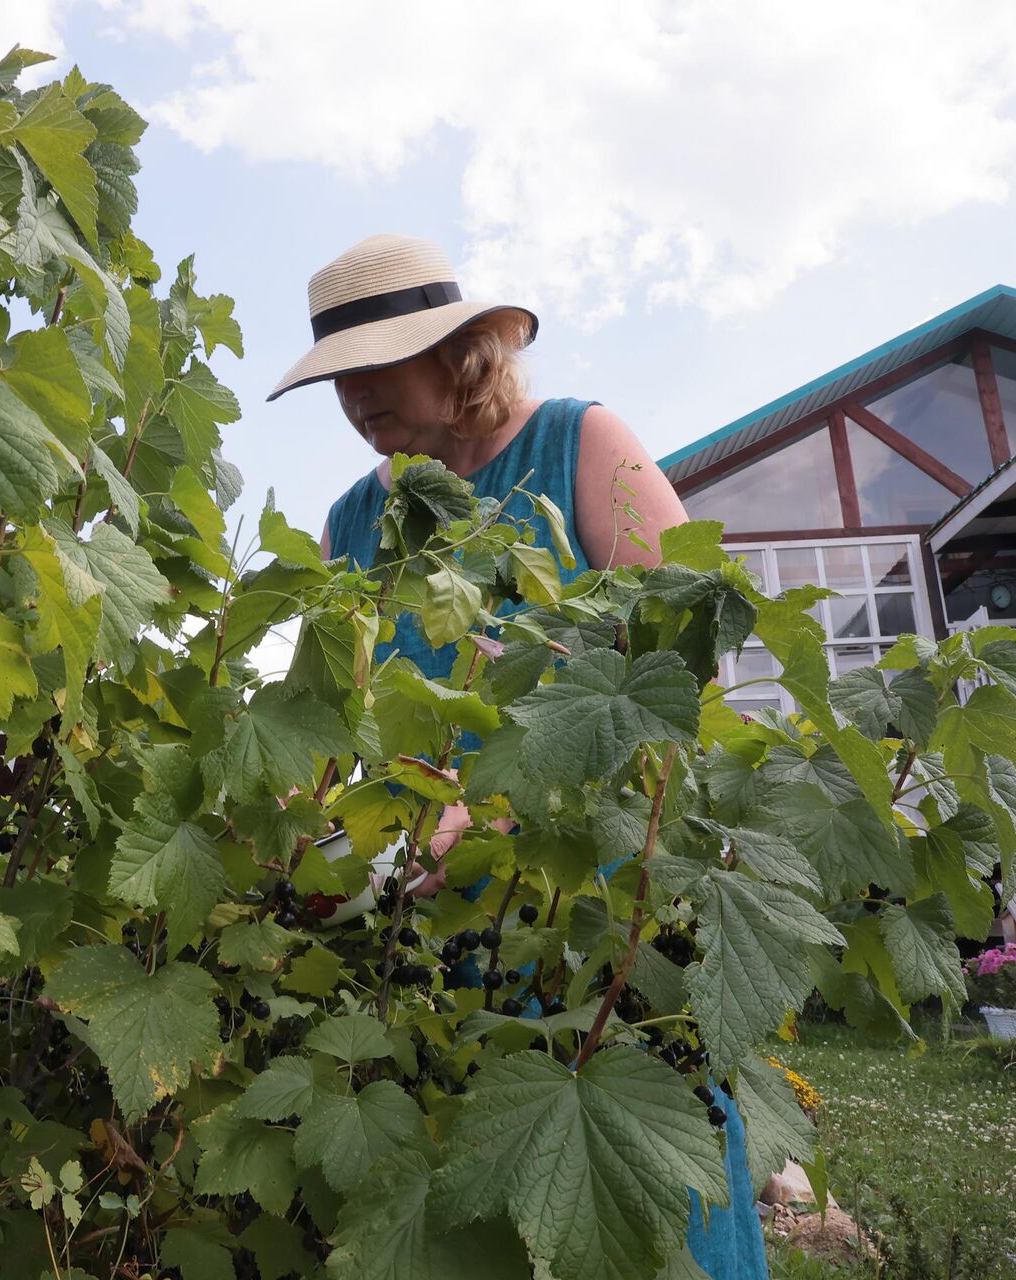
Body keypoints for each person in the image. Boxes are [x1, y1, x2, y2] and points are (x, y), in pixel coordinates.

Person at [267, 233, 768, 1280]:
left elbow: (687, 661)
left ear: (460, 353)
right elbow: (331, 724)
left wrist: (505, 804)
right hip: (429, 922)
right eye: (338, 380)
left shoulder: (578, 443)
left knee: (638, 1197)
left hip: (595, 914)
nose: (356, 398)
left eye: (376, 367)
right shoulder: (353, 523)